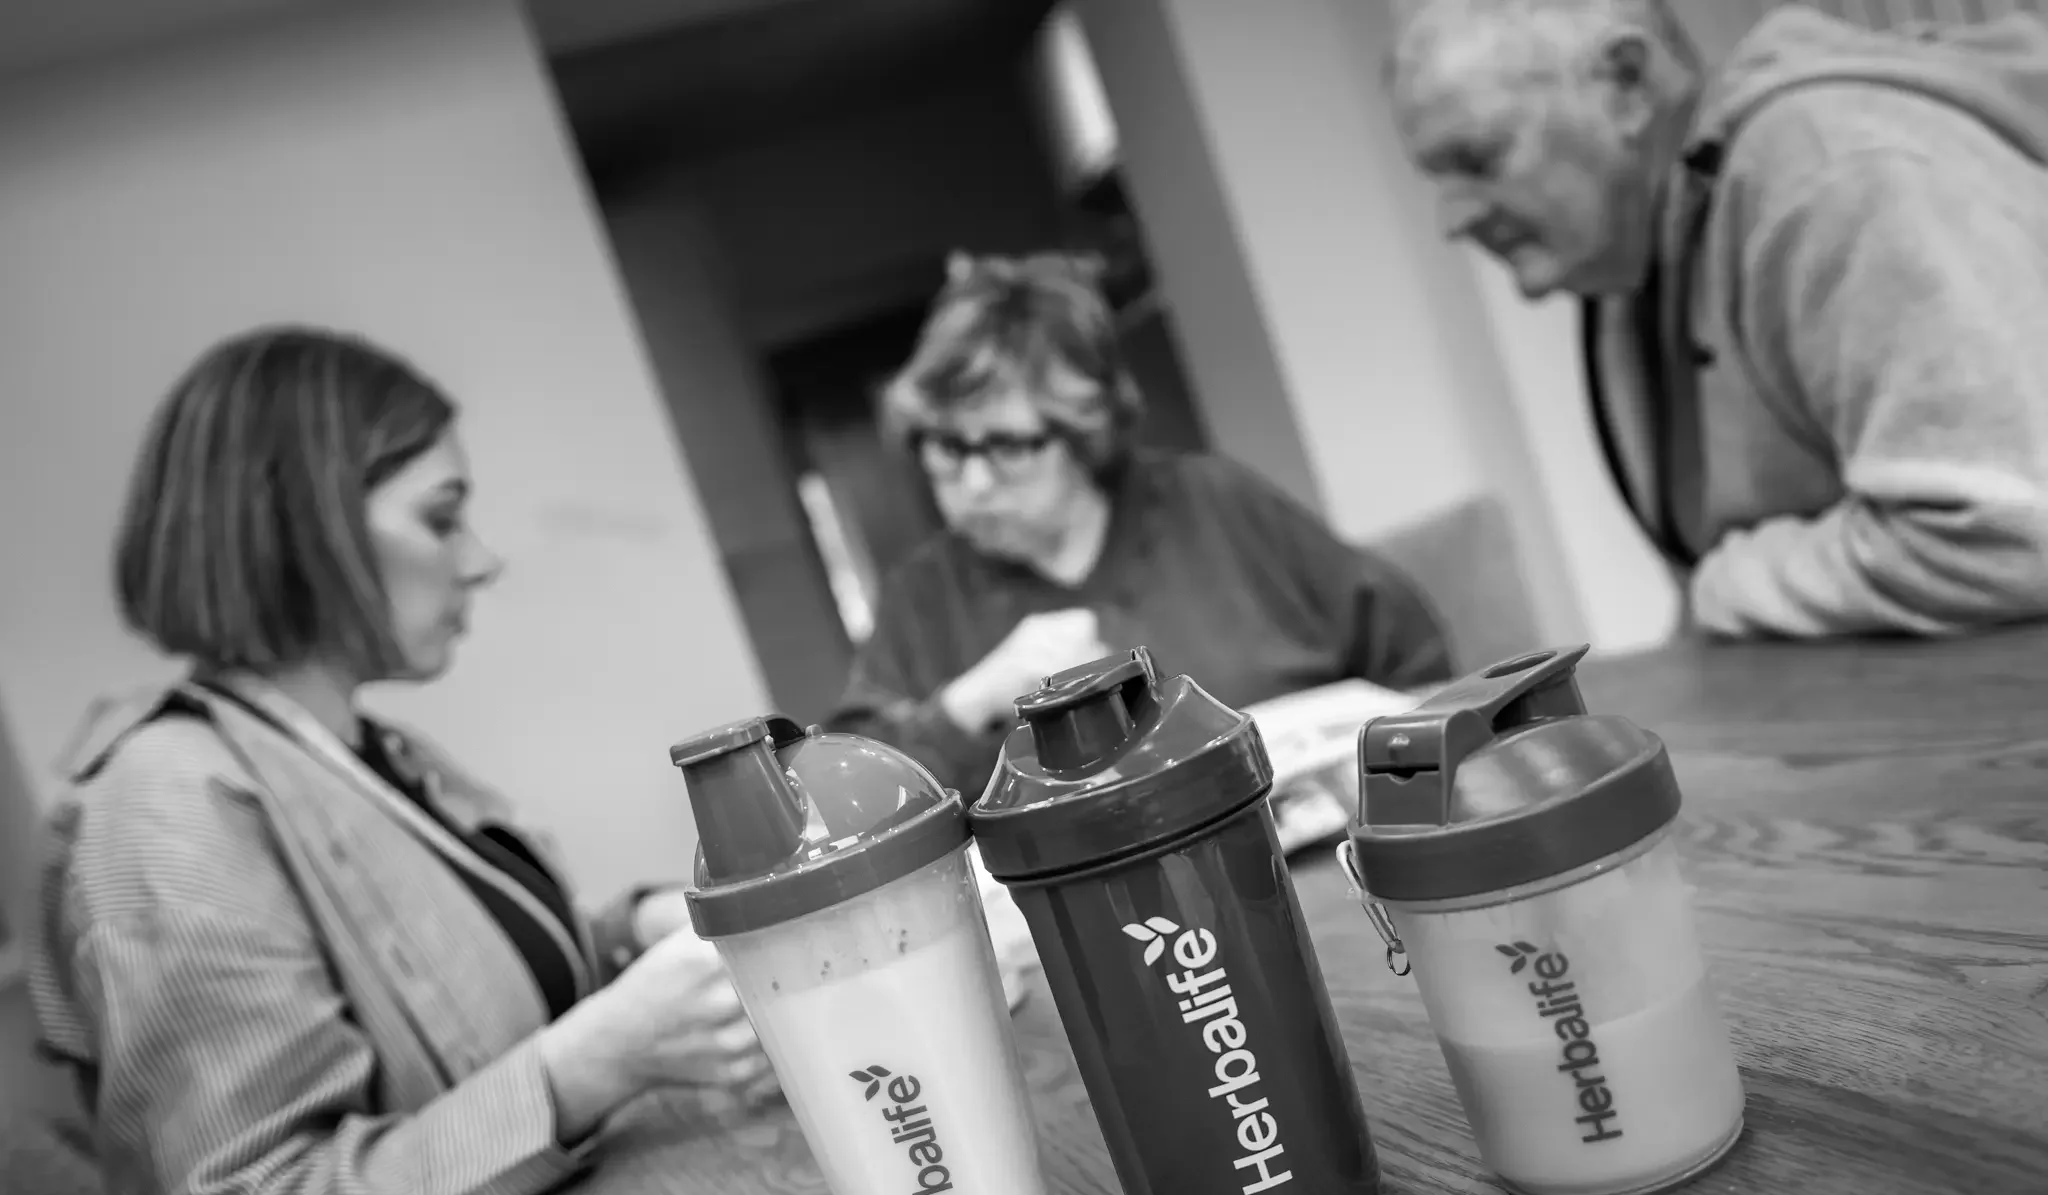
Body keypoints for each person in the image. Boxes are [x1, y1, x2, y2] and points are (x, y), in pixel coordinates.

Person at [24, 327, 770, 1195]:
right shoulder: (167, 811)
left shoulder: (363, 750)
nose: (482, 558)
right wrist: (587, 1067)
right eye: (441, 516)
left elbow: (461, 989)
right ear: (306, 527)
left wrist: (629, 930)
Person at [1387, 0, 2048, 639]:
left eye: (1478, 159)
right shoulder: (1635, 257)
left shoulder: (1832, 168)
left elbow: (2009, 543)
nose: (1453, 220)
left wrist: (1723, 583)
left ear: (1627, 84)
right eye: (1436, 179)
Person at [826, 251, 1454, 797]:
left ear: (1083, 434)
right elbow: (865, 795)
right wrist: (970, 702)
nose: (975, 484)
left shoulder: (1215, 501)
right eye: (948, 448)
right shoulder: (924, 595)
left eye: (1010, 447)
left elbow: (1416, 664)